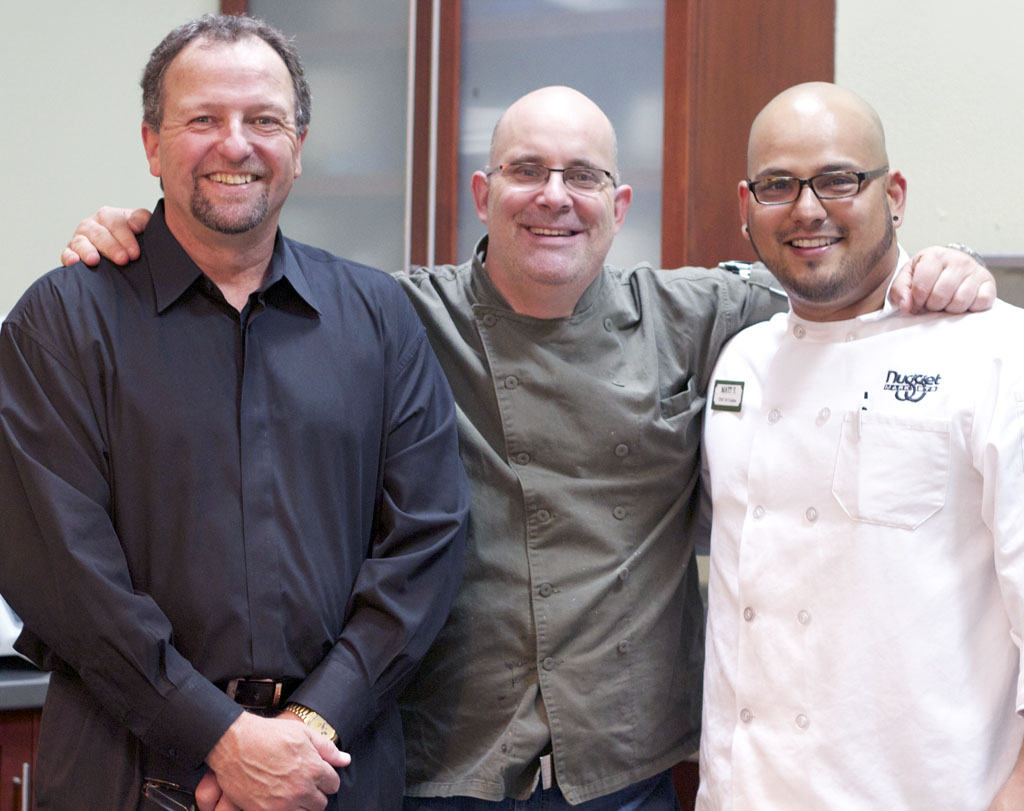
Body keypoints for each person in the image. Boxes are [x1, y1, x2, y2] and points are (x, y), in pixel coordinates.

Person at [60, 86, 994, 809]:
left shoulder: (704, 317)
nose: (555, 198)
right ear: (483, 192)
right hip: (444, 763)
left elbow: (826, 278)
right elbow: (246, 274)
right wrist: (136, 239)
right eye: (526, 171)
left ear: (619, 201)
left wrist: (932, 267)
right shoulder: (386, 316)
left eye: (583, 175)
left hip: (627, 768)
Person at [0, 14, 469, 811]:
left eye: (263, 120)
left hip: (331, 774)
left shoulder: (378, 317)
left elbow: (428, 541)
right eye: (203, 119)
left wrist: (309, 727)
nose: (236, 144)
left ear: (299, 141)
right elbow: (65, 571)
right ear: (152, 144)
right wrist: (224, 736)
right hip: (129, 774)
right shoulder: (63, 321)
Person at [697, 81, 1024, 810]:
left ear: (895, 193)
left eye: (839, 178)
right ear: (746, 206)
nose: (807, 208)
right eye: (778, 185)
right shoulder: (741, 363)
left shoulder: (997, 350)